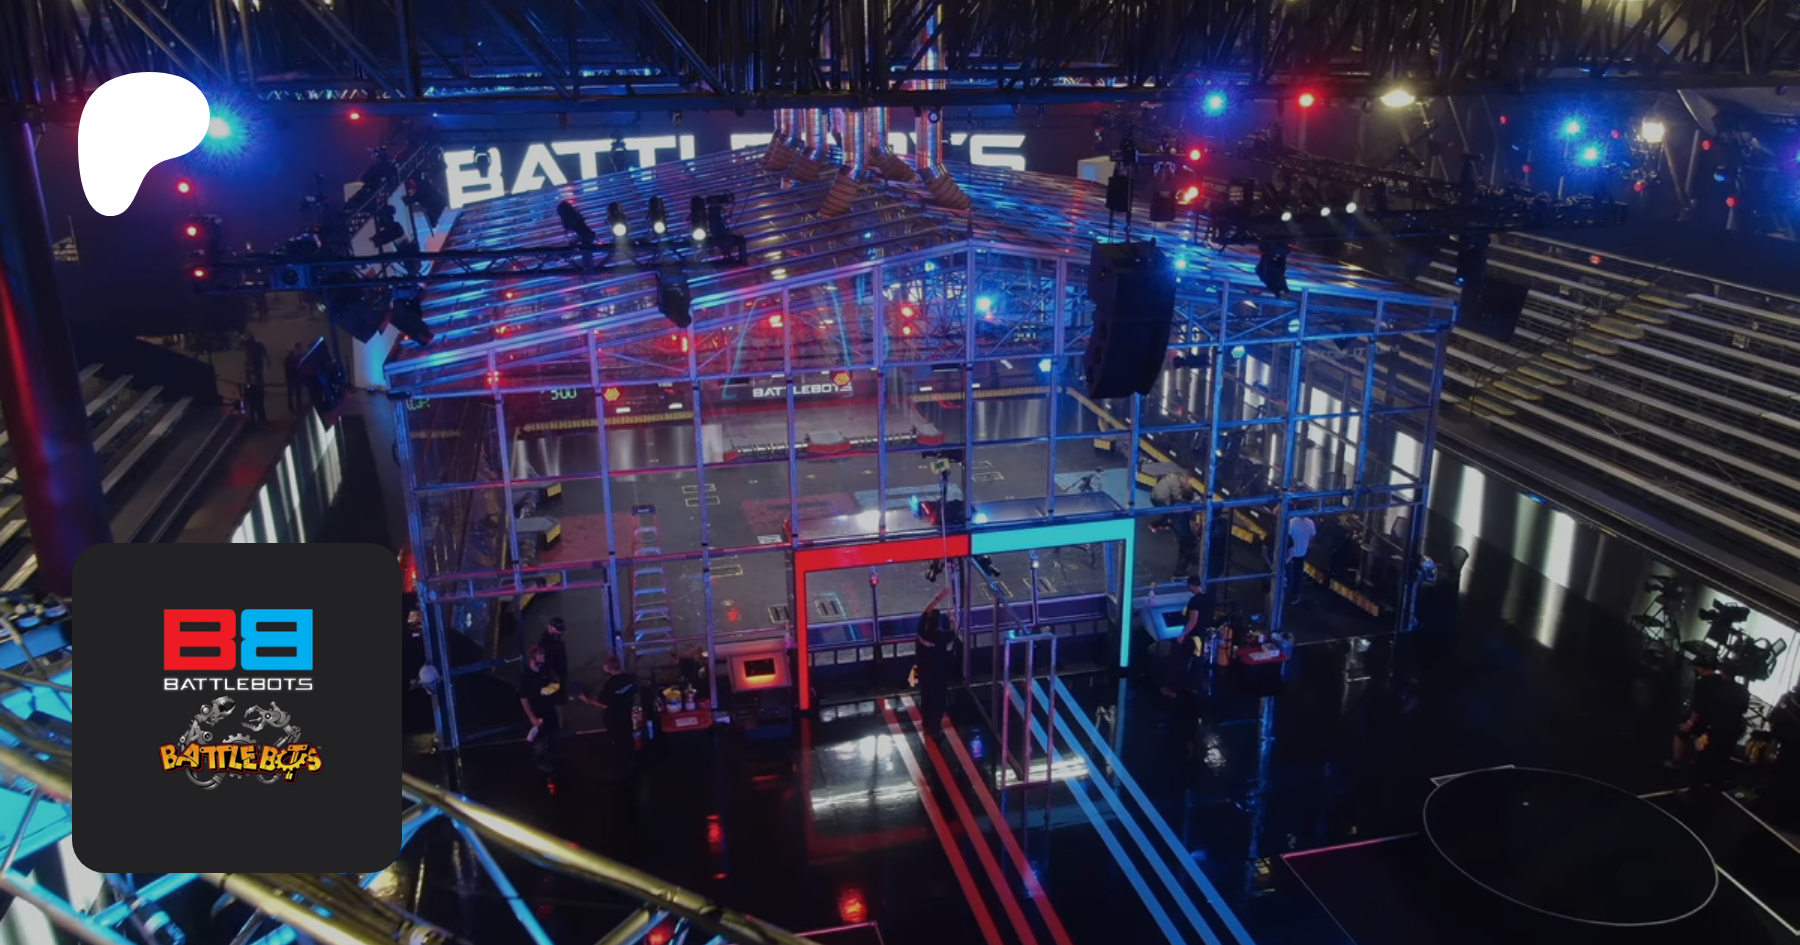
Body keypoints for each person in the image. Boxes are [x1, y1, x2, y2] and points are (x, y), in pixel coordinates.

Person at [1671, 654, 1750, 788]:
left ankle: (1683, 770)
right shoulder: (1742, 690)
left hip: (1714, 728)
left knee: (1689, 740)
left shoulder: (1711, 685)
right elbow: (1744, 709)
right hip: (1735, 729)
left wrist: (1690, 722)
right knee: (1720, 757)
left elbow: (1700, 707)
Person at [914, 586, 957, 734]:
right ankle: (934, 727)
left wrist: (939, 597)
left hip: (923, 672)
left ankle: (926, 722)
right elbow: (954, 632)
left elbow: (925, 611)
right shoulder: (940, 637)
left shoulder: (921, 631)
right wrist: (952, 618)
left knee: (926, 698)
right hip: (938, 674)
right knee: (938, 701)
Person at [1162, 575, 1213, 698]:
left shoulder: (1195, 601)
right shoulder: (1208, 598)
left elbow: (1193, 620)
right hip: (1201, 636)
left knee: (1178, 660)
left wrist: (1183, 634)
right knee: (1197, 661)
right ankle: (1195, 687)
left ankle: (1172, 689)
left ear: (1191, 585)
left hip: (1192, 636)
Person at [518, 646, 566, 772]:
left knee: (552, 734)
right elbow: (523, 698)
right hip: (537, 712)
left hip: (549, 709)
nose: (543, 657)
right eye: (540, 655)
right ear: (533, 657)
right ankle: (540, 762)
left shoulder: (544, 669)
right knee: (539, 740)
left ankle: (550, 756)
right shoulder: (526, 676)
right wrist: (532, 717)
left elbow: (554, 682)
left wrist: (552, 688)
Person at [595, 656, 639, 765]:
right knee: (628, 738)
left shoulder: (610, 685)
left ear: (608, 668)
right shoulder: (630, 679)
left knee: (618, 742)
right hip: (626, 715)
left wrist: (587, 700)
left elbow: (603, 704)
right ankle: (632, 761)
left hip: (614, 719)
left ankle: (622, 764)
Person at [1286, 515, 1317, 605]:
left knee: (1288, 573)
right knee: (1298, 574)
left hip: (1290, 553)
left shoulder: (1291, 522)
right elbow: (1312, 537)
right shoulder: (1310, 523)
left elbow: (1287, 537)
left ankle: (1286, 592)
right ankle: (1295, 594)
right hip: (1302, 552)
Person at [283, 343, 306, 413]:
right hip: (292, 378)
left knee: (297, 392)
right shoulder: (290, 359)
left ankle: (297, 406)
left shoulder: (296, 358)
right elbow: (291, 367)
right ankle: (294, 407)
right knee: (293, 393)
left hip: (295, 377)